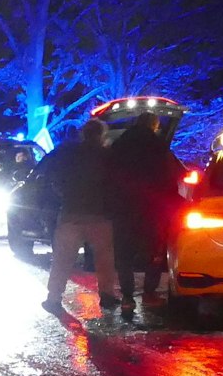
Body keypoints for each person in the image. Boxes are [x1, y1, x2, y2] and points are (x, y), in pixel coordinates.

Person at [106, 112, 185, 310]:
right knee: (153, 252)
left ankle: (127, 297)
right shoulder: (158, 147)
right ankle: (149, 294)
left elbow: (106, 176)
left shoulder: (118, 147)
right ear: (154, 126)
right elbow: (174, 175)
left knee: (124, 254)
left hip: (122, 208)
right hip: (151, 209)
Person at [39, 119, 117, 315]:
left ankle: (54, 297)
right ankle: (107, 295)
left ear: (83, 133)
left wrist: (63, 195)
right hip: (99, 214)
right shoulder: (108, 157)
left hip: (71, 213)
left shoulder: (69, 154)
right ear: (102, 135)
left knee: (62, 258)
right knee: (104, 258)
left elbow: (53, 176)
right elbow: (116, 184)